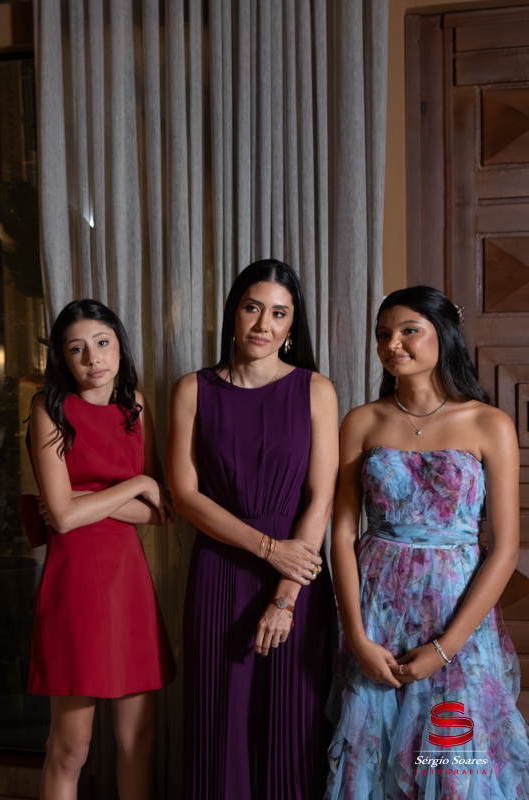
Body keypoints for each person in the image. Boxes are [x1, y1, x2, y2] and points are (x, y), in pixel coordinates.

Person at [324, 286, 529, 798]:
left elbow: (505, 547)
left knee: (454, 763)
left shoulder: (489, 423)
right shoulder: (362, 421)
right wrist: (357, 637)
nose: (393, 344)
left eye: (409, 331)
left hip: (456, 616)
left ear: (444, 335)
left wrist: (446, 647)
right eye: (383, 334)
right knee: (373, 759)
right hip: (377, 612)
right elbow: (343, 535)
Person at [168, 259, 338, 799]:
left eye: (279, 313)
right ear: (234, 313)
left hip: (298, 577)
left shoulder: (316, 389)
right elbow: (185, 495)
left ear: (292, 326)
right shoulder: (192, 389)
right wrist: (268, 548)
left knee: (292, 725)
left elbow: (321, 498)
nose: (264, 324)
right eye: (253, 308)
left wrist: (285, 595)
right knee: (218, 726)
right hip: (220, 570)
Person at [28, 298, 175, 800]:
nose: (93, 358)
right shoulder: (48, 409)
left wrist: (83, 498)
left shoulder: (135, 406)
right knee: (72, 746)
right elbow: (63, 518)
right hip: (76, 579)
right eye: (77, 349)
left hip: (128, 578)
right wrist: (136, 483)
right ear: (63, 359)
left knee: (139, 738)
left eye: (102, 342)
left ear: (119, 346)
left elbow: (161, 512)